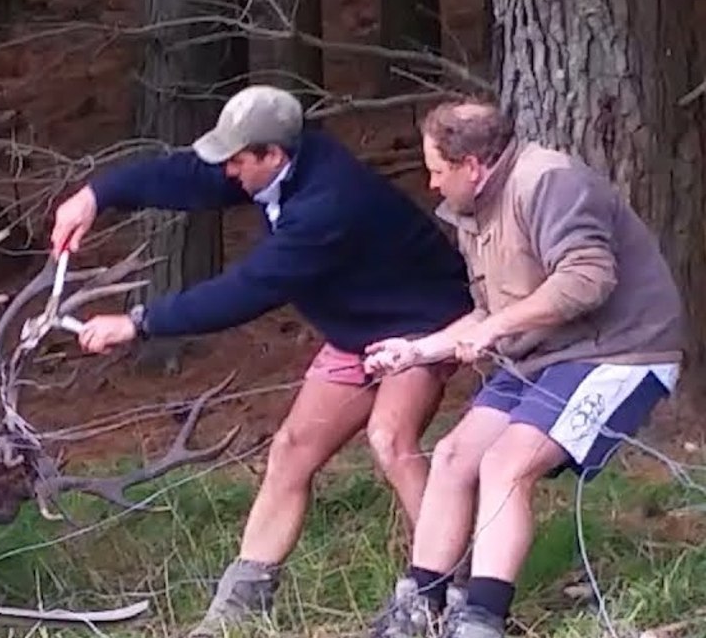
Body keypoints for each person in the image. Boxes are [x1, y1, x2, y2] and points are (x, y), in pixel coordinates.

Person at [48, 84, 475, 636]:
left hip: (422, 323)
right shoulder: (280, 161)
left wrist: (138, 323)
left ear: (271, 155)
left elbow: (249, 289)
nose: (226, 172)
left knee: (389, 439)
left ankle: (441, 591)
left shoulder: (326, 204)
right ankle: (241, 605)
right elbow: (188, 177)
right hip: (356, 331)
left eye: (236, 161)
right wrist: (97, 195)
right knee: (292, 450)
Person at [362, 99, 685, 638]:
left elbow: (587, 278)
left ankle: (482, 620)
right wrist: (418, 351)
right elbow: (491, 311)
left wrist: (494, 329)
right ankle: (422, 606)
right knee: (452, 456)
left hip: (619, 350)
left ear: (471, 165)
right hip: (542, 354)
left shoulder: (550, 182)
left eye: (437, 170)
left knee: (506, 464)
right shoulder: (473, 208)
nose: (431, 183)